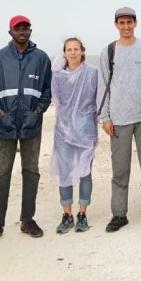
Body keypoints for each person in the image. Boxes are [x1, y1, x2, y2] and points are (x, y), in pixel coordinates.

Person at [0, 16, 52, 244]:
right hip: (4, 126)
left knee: (31, 172)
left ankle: (27, 219)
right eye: (17, 28)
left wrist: (38, 111)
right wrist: (0, 113)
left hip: (32, 125)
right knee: (1, 174)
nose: (22, 31)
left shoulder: (41, 58)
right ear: (10, 31)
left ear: (30, 30)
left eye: (25, 28)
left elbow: (47, 90)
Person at [99, 7, 141, 232]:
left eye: (129, 22)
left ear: (135, 23)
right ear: (116, 25)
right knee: (120, 170)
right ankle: (119, 214)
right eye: (122, 22)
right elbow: (103, 85)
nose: (126, 26)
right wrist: (105, 117)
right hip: (118, 118)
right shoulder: (109, 51)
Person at [50, 38, 98, 234]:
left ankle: (82, 213)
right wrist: (65, 124)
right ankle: (67, 213)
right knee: (65, 172)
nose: (72, 53)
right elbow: (57, 102)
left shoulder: (92, 73)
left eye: (76, 49)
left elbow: (98, 98)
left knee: (85, 171)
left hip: (86, 130)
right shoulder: (58, 76)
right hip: (63, 131)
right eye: (68, 50)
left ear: (82, 51)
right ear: (64, 53)